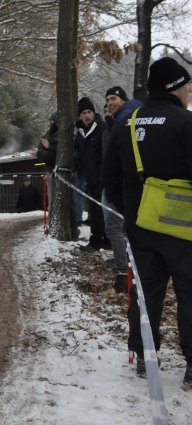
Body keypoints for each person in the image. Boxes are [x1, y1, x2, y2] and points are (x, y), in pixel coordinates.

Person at [102, 57, 192, 384]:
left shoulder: (128, 123)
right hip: (183, 229)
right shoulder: (186, 122)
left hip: (140, 225)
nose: (189, 91)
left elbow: (108, 176)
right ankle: (191, 366)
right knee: (189, 292)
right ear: (175, 88)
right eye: (187, 86)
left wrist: (130, 209)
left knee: (146, 292)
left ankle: (143, 355)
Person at [102, 86, 143, 292]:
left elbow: (118, 154)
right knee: (118, 227)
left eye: (114, 98)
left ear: (124, 100)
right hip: (116, 182)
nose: (110, 102)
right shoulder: (117, 120)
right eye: (108, 99)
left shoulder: (126, 118)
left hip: (120, 183)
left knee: (115, 227)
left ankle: (124, 270)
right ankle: (127, 267)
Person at [74, 97, 107, 252]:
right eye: (84, 113)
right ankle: (100, 239)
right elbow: (79, 153)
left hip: (102, 177)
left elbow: (106, 152)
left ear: (94, 113)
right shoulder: (80, 132)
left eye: (89, 112)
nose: (87, 115)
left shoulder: (102, 127)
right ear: (79, 115)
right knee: (94, 211)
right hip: (89, 178)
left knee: (100, 211)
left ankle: (99, 241)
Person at [34, 112, 58, 213]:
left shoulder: (66, 135)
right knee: (52, 198)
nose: (51, 123)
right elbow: (42, 154)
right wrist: (39, 152)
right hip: (50, 171)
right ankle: (51, 221)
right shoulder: (46, 135)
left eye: (53, 121)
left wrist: (46, 149)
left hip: (63, 171)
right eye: (51, 121)